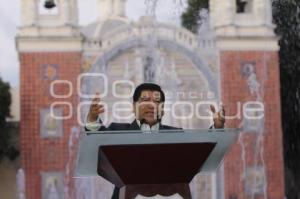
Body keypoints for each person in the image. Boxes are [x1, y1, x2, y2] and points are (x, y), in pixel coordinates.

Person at [85, 83, 225, 199]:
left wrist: (217, 128)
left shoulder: (176, 134)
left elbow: (200, 153)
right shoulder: (118, 131)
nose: (152, 105)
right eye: (145, 100)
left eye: (157, 101)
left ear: (162, 109)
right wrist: (92, 118)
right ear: (134, 106)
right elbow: (96, 137)